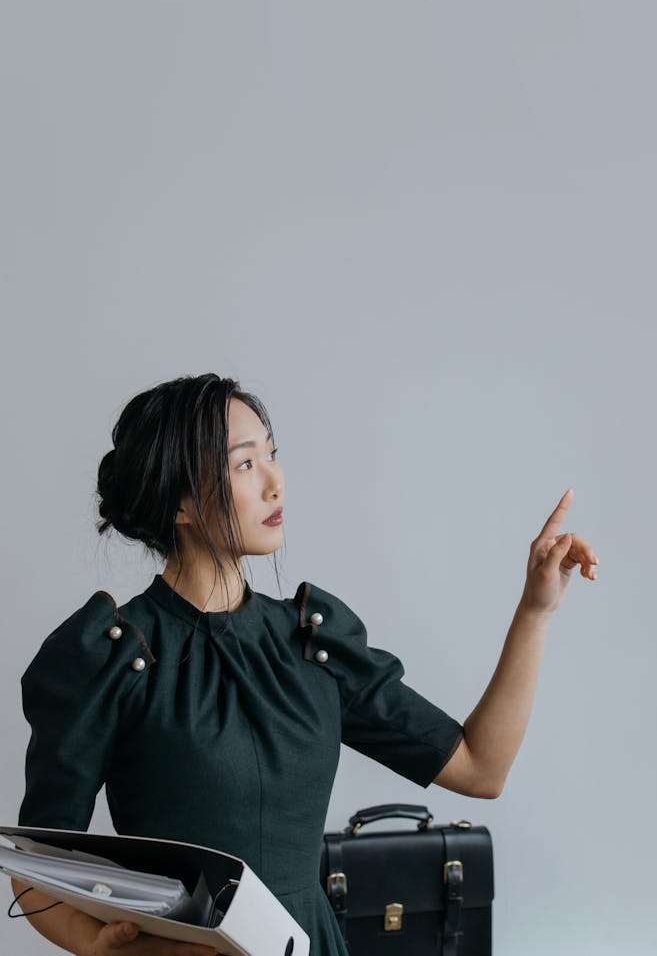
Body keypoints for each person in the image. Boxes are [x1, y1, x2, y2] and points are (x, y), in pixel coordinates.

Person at [10, 373, 598, 956]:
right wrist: (104, 947)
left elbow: (480, 768)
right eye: (244, 464)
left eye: (272, 454)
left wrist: (535, 609)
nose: (275, 482)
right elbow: (34, 871)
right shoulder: (114, 656)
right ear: (182, 501)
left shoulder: (311, 641)